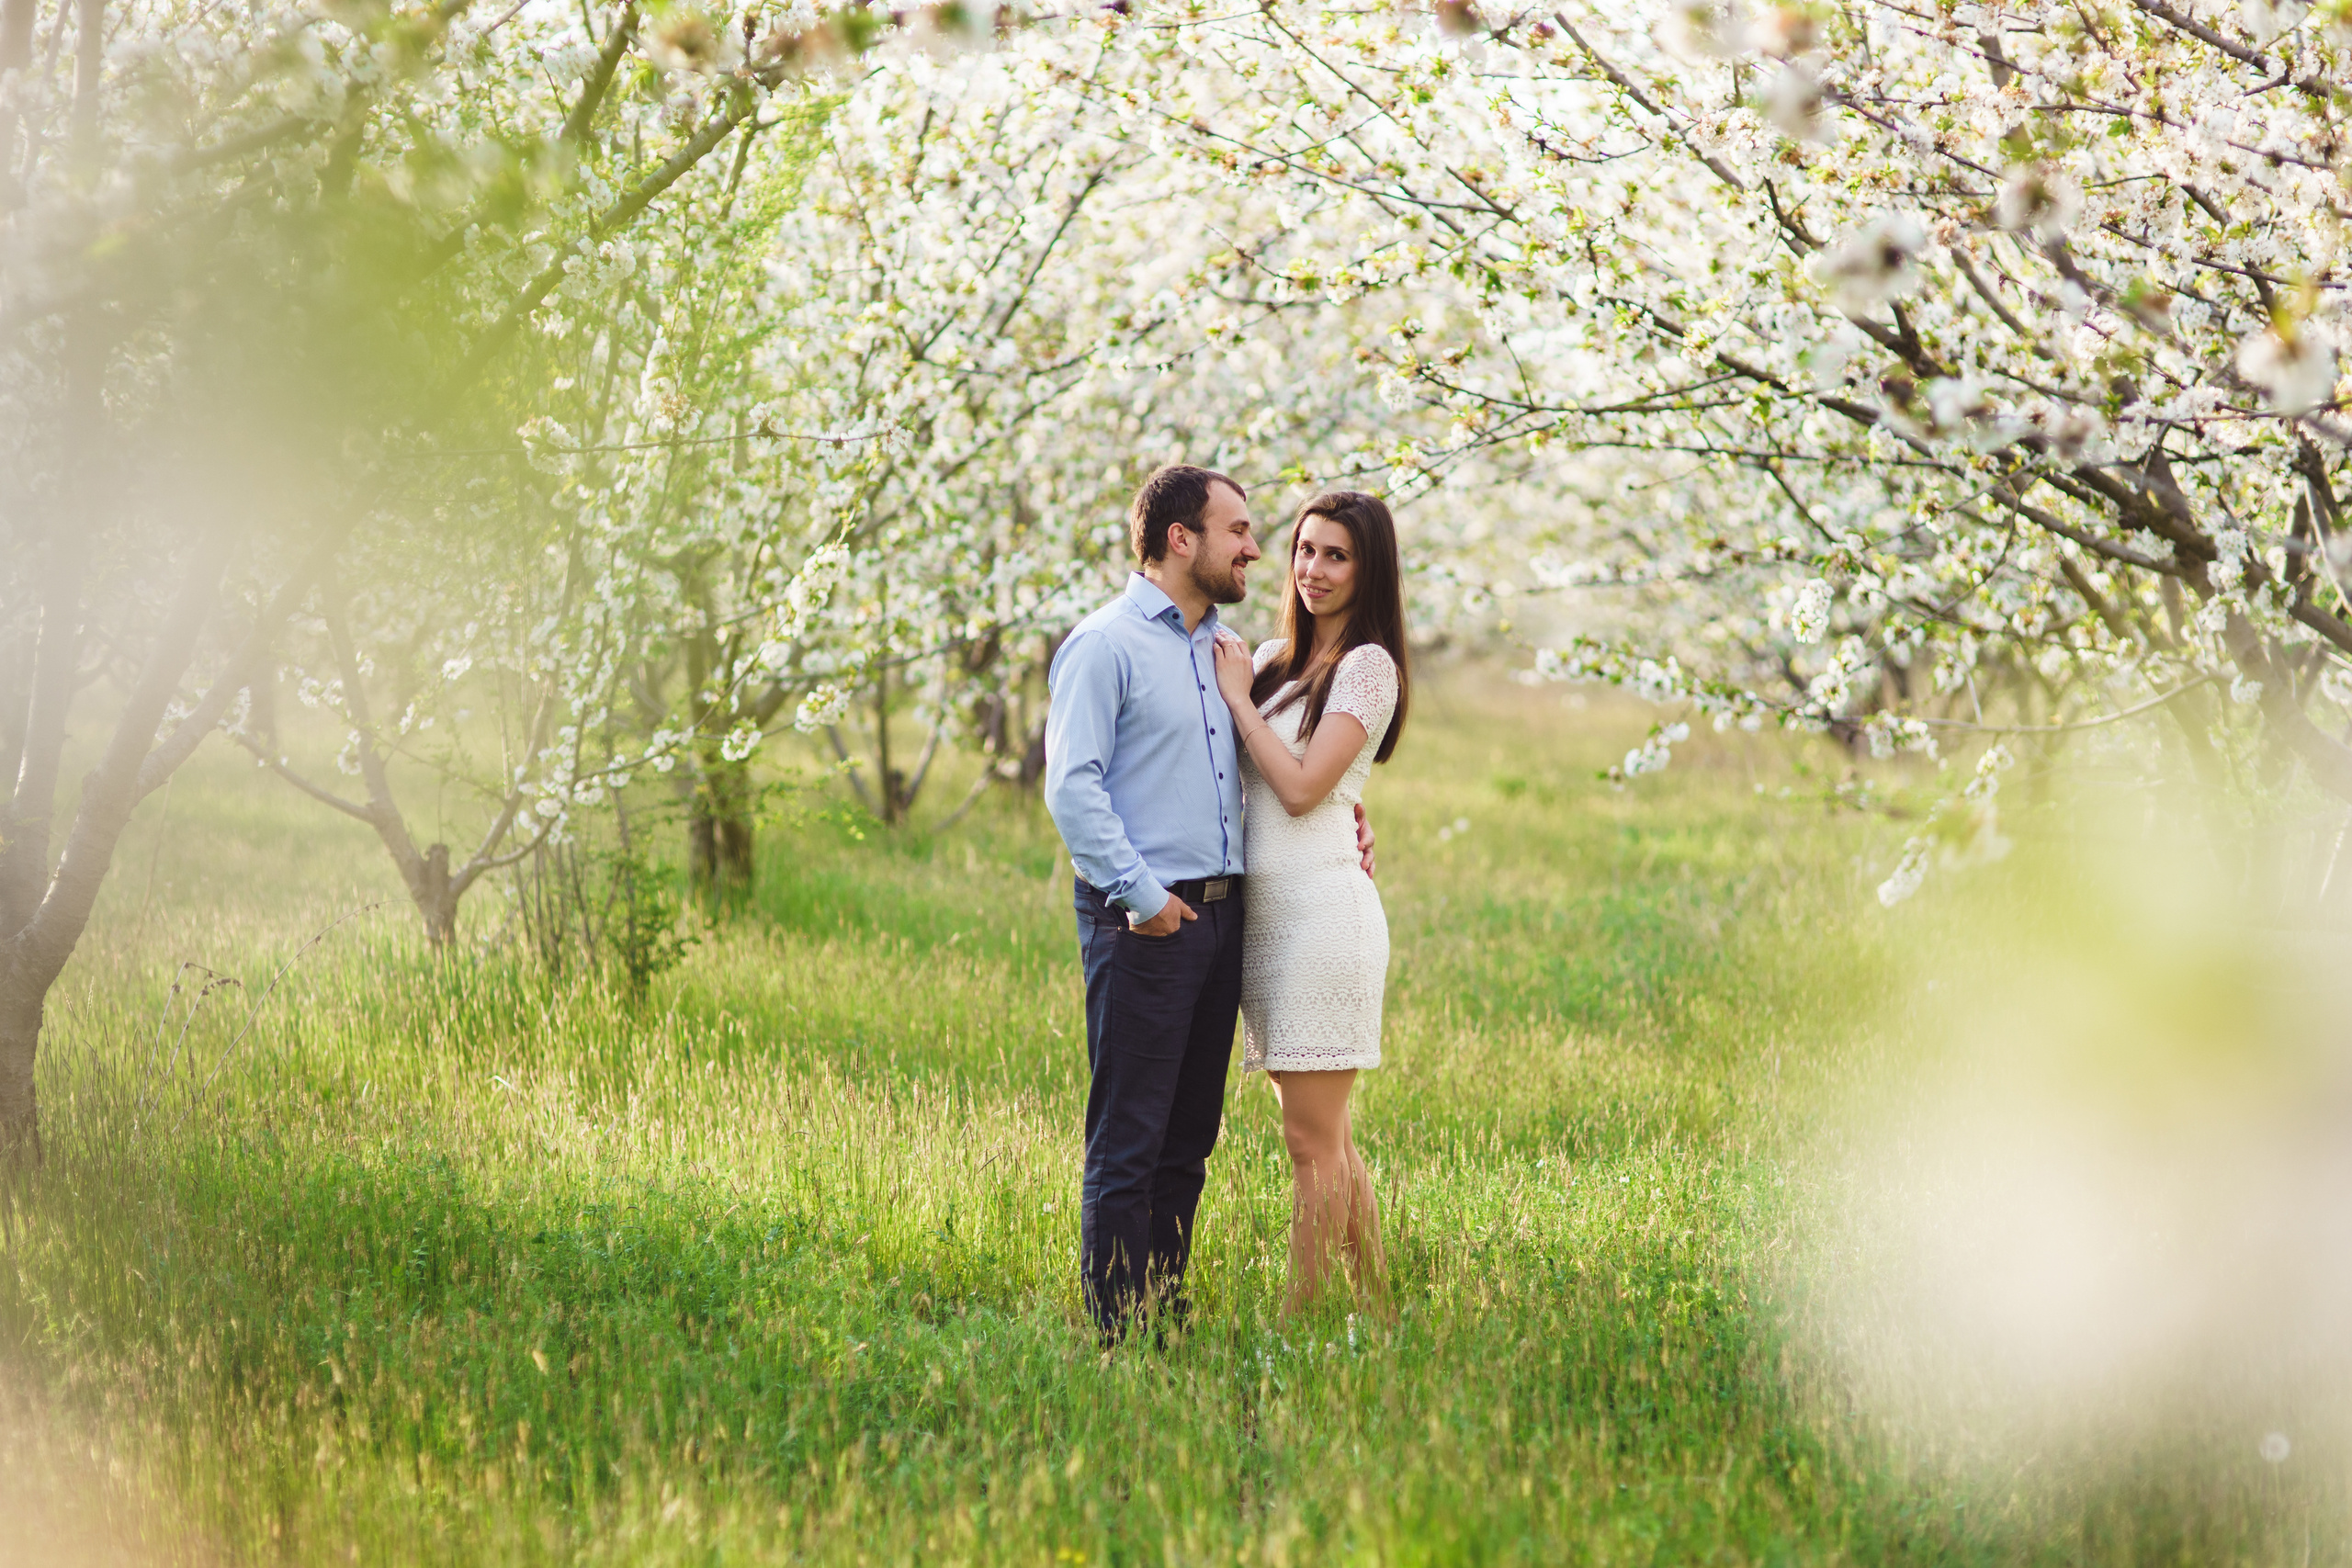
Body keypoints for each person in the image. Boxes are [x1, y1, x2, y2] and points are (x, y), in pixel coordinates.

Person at [1044, 464, 1374, 1341]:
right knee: (1129, 1142)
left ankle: (1165, 1316)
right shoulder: (1105, 644)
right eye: (1239, 531)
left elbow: (1292, 768)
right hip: (1148, 919)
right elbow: (1072, 790)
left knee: (1189, 1143)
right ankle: (1118, 1335)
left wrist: (1352, 823)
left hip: (1229, 921)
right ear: (1180, 539)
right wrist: (1142, 897)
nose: (1256, 551)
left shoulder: (1231, 654)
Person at [1210, 490, 1409, 1315]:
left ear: (1368, 573)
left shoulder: (1368, 665)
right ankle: (1382, 1308)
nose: (1312, 570)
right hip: (1268, 924)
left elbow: (1297, 790)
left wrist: (1235, 703)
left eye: (1336, 556)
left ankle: (1303, 1321)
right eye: (1304, 549)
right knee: (1326, 1137)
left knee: (1307, 1141)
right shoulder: (1267, 660)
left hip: (1326, 919)